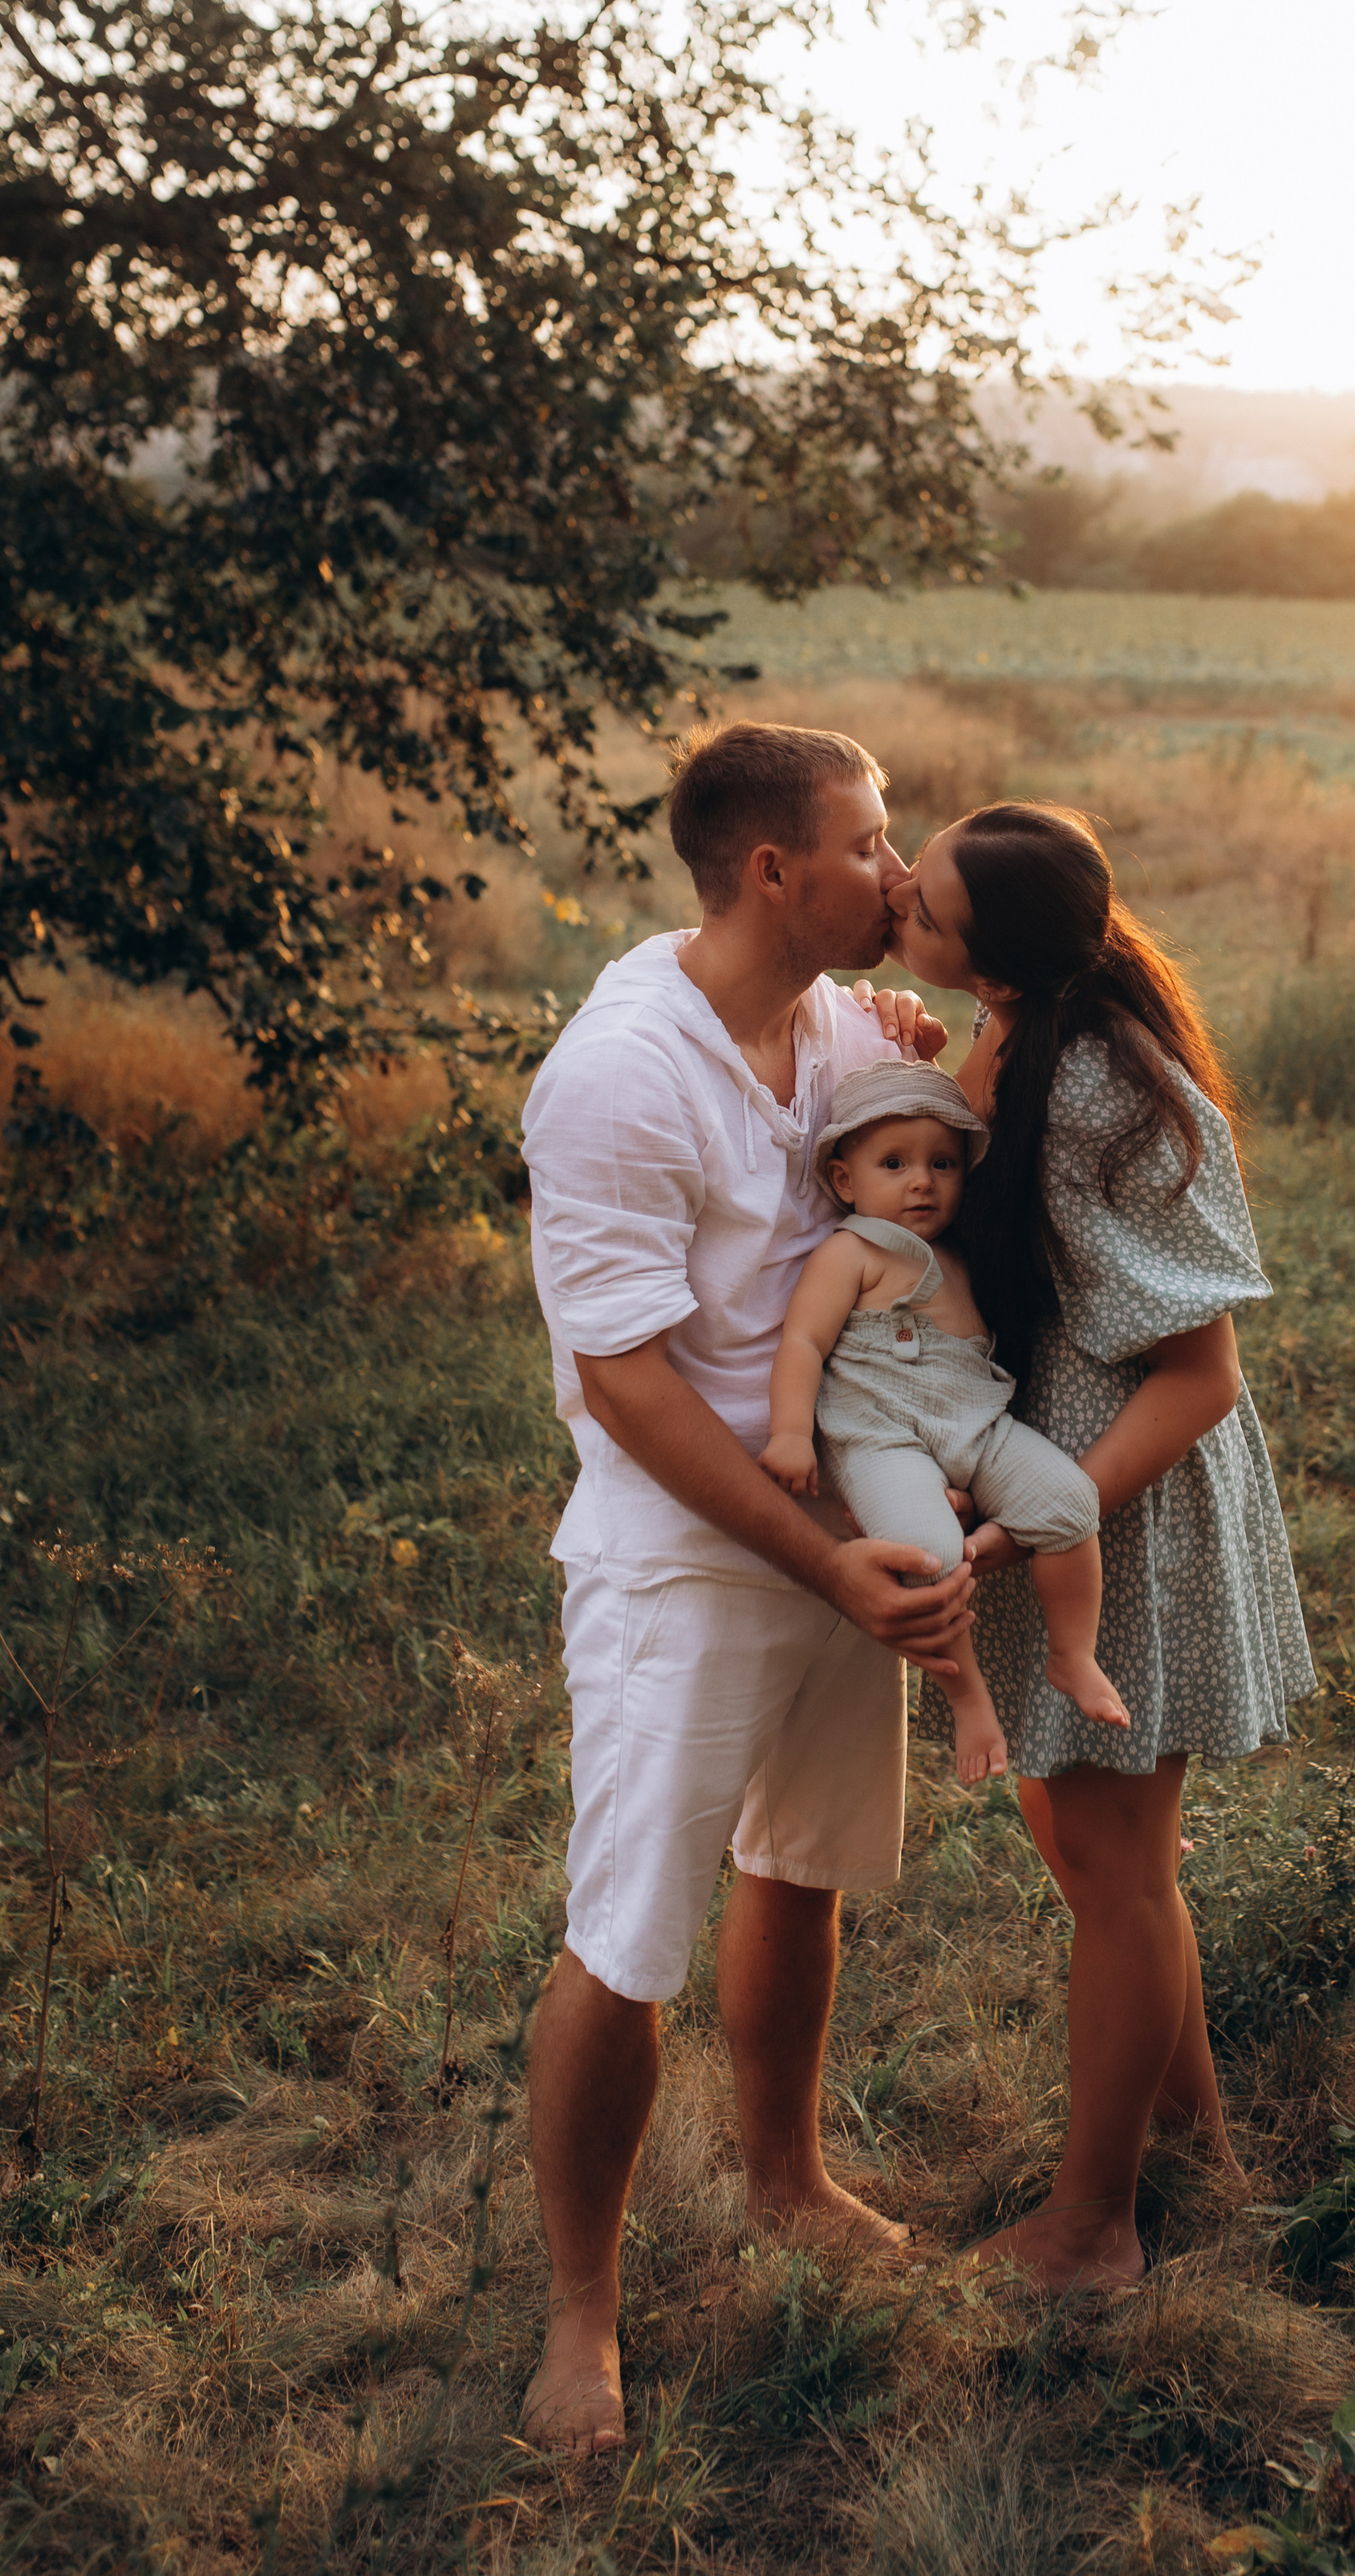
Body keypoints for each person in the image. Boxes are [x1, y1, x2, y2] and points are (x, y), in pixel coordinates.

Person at [516, 721, 970, 2454]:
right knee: (625, 1937)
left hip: (836, 1544)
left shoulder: (846, 1021)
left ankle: (784, 2177)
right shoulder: (620, 1071)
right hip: (688, 1568)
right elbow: (626, 1385)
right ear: (772, 869)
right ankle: (580, 2319)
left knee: (799, 1873)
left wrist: (932, 1039)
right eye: (869, 841)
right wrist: (830, 1567)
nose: (898, 866)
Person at [888, 799, 1316, 2292]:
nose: (896, 898)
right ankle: (1195, 2148)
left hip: (1118, 1492)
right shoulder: (1008, 1035)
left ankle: (1093, 2226)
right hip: (1043, 1469)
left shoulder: (1099, 1084)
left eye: (923, 903)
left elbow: (1203, 1377)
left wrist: (1038, 1511)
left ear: (994, 952)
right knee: (1083, 1842)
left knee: (1120, 1862)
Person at [760, 1060, 1130, 1783]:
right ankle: (969, 1700)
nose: (921, 1181)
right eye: (893, 1163)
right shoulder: (852, 1252)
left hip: (976, 1424)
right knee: (923, 1559)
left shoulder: (963, 1255)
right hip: (880, 1436)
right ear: (844, 1181)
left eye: (942, 1164)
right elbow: (801, 1342)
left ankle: (1073, 1653)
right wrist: (790, 1433)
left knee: (1069, 1502)